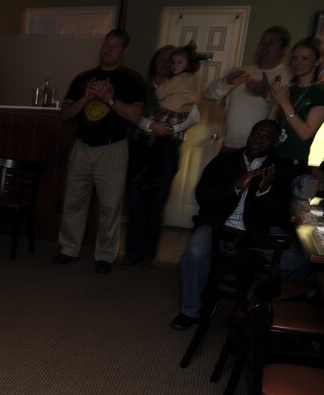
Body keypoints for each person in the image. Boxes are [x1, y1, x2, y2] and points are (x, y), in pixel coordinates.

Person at [169, 119, 305, 330]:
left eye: (265, 136)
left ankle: (259, 307)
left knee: (297, 263)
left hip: (257, 233)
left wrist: (264, 191)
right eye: (255, 133)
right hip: (218, 227)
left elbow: (280, 213)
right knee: (195, 253)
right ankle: (190, 310)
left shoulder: (280, 170)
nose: (258, 139)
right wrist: (235, 186)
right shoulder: (224, 161)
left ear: (275, 142)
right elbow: (202, 195)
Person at [52, 29, 145, 273]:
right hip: (82, 147)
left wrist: (110, 100)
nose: (108, 49)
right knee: (73, 201)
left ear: (124, 51)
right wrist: (85, 98)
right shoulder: (83, 77)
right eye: (106, 44)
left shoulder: (132, 79)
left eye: (114, 46)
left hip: (112, 149)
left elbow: (136, 116)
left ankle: (105, 255)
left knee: (110, 206)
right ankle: (68, 249)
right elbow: (65, 114)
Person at [124, 43, 201, 267]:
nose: (166, 63)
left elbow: (194, 115)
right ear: (154, 62)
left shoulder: (183, 84)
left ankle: (149, 254)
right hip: (141, 149)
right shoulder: (142, 86)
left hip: (166, 150)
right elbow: (132, 114)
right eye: (161, 59)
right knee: (136, 201)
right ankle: (133, 251)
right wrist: (151, 126)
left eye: (171, 60)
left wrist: (170, 129)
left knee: (156, 203)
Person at [205, 26, 292, 153]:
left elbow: (287, 114)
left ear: (283, 50)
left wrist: (265, 92)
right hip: (229, 147)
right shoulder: (241, 71)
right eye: (263, 41)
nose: (264, 45)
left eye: (272, 42)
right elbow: (209, 94)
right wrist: (227, 82)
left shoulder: (288, 75)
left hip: (261, 152)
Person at [268, 37, 324, 184]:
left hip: (294, 165)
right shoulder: (289, 90)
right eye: (294, 58)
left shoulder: (319, 93)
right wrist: (275, 105)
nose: (298, 62)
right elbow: (268, 127)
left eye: (305, 58)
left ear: (317, 61)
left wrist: (285, 104)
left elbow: (305, 133)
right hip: (272, 159)